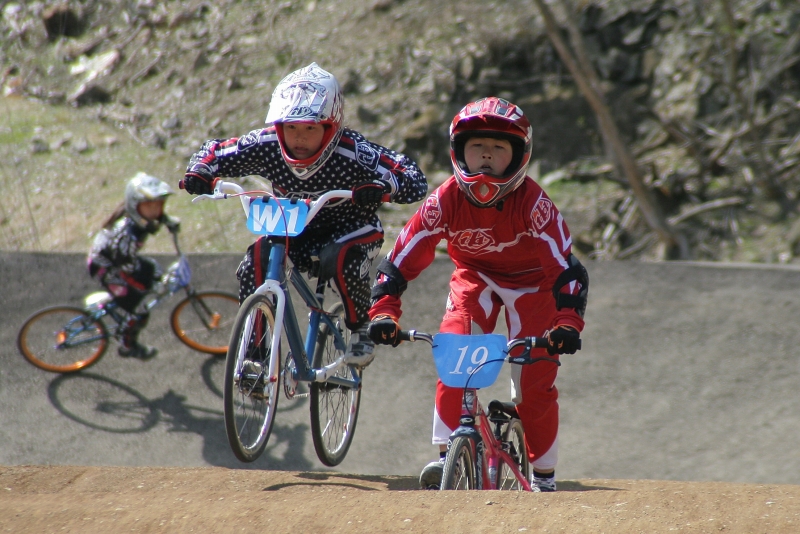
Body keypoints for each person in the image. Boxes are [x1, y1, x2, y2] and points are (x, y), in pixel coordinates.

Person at [366, 97, 589, 491]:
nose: (486, 155)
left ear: (519, 156)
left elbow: (567, 269)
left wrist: (567, 322)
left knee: (534, 384)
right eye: (477, 146)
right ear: (459, 152)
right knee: (453, 353)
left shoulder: (536, 205)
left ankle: (544, 476)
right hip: (475, 278)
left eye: (499, 148)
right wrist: (384, 310)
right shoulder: (444, 200)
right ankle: (444, 459)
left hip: (534, 285)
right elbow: (399, 259)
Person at [180, 62, 427, 368]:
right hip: (293, 225)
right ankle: (255, 356)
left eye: (309, 128)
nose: (298, 137)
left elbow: (412, 176)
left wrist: (382, 186)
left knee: (342, 256)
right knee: (255, 260)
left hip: (351, 225)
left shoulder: (354, 152)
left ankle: (360, 326)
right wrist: (200, 171)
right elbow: (214, 151)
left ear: (330, 128)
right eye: (291, 127)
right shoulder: (266, 144)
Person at [87, 172, 180, 360]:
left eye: (158, 205)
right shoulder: (127, 235)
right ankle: (127, 345)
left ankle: (119, 302)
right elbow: (126, 270)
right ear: (135, 206)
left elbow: (157, 218)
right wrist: (147, 287)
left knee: (153, 269)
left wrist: (168, 221)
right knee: (139, 310)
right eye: (149, 206)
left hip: (120, 261)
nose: (155, 211)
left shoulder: (139, 217)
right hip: (106, 268)